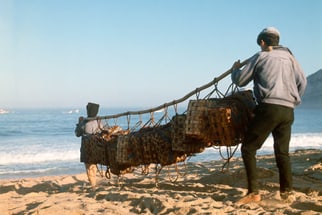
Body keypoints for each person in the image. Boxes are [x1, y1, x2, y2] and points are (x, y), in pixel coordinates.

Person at [231, 27, 307, 204]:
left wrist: (235, 70)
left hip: (269, 108)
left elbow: (241, 81)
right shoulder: (291, 58)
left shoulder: (261, 56)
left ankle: (254, 193)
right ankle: (286, 192)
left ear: (263, 42)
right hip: (288, 110)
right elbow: (303, 82)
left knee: (248, 148)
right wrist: (293, 100)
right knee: (282, 152)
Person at [75, 102, 104, 187]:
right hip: (97, 146)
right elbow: (104, 130)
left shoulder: (84, 122)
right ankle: (93, 182)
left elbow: (77, 134)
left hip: (87, 148)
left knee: (88, 167)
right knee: (93, 165)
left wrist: (79, 123)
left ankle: (93, 185)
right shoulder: (99, 121)